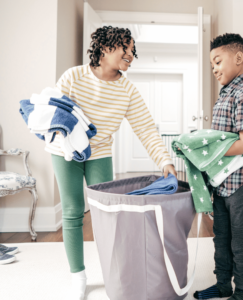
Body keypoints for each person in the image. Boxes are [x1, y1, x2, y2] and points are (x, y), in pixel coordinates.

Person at [47, 26, 177, 300]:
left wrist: (164, 160)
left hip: (100, 152)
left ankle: (113, 272)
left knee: (107, 213)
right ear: (105, 48)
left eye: (132, 52)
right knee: (72, 210)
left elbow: (145, 128)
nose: (130, 55)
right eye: (125, 49)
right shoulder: (73, 76)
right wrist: (67, 136)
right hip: (65, 150)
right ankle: (78, 277)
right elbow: (56, 115)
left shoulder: (127, 90)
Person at [193, 33, 243, 300]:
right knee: (221, 237)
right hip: (223, 182)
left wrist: (208, 149)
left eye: (217, 61)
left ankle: (242, 291)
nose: (214, 68)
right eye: (211, 64)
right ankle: (223, 284)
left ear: (238, 58)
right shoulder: (224, 96)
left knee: (241, 241)